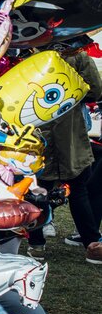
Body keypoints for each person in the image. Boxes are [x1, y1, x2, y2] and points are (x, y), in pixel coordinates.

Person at [26, 39, 102, 263]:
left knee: (34, 192)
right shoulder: (76, 52)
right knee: (79, 192)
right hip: (70, 135)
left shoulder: (23, 49)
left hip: (34, 134)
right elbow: (95, 89)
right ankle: (93, 244)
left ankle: (36, 244)